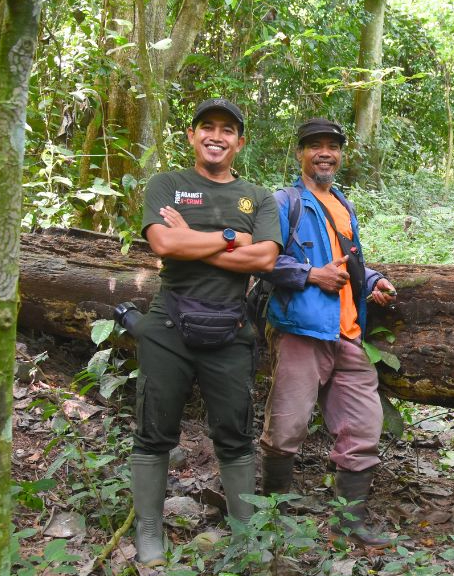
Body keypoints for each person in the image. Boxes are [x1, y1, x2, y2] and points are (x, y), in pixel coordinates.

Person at [132, 98, 281, 567]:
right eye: (207, 127)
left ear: (240, 141)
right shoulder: (168, 185)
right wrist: (234, 239)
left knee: (235, 434)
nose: (216, 136)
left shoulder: (259, 197)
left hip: (231, 325)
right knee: (154, 431)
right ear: (192, 135)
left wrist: (193, 241)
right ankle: (149, 532)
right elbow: (162, 243)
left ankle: (244, 534)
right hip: (168, 324)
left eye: (227, 130)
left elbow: (266, 259)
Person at [257, 118, 397, 546]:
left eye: (332, 147)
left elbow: (349, 260)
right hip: (301, 331)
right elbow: (259, 260)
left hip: (349, 334)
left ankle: (349, 522)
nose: (324, 153)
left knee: (364, 427)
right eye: (314, 146)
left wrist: (371, 282)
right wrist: (309, 274)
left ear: (341, 155)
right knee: (286, 426)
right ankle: (273, 517)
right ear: (300, 153)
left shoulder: (342, 204)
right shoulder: (283, 202)